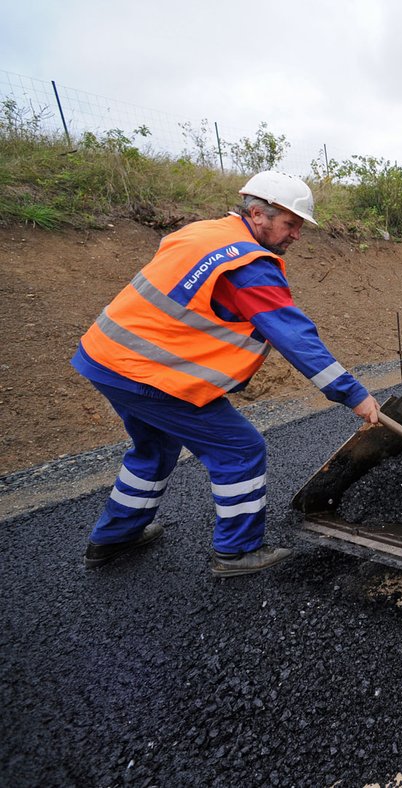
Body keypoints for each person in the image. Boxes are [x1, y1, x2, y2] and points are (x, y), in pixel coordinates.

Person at [72, 171, 380, 577]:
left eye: (299, 227)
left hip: (106, 357)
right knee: (239, 449)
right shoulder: (249, 266)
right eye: (291, 224)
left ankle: (112, 538)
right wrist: (353, 394)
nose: (296, 236)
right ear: (257, 214)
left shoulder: (203, 233)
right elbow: (294, 337)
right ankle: (236, 552)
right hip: (151, 375)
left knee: (154, 447)